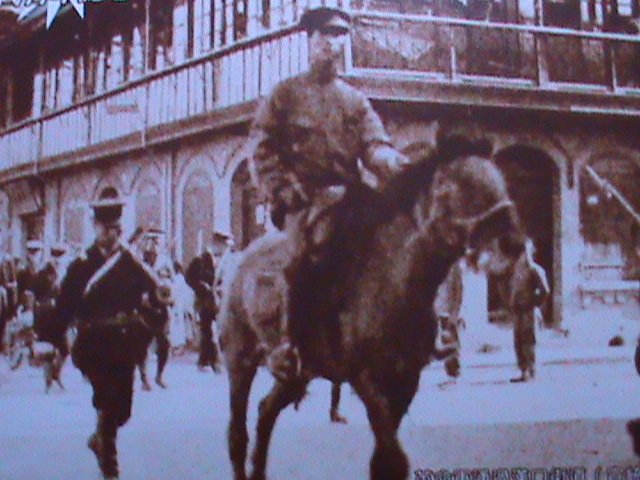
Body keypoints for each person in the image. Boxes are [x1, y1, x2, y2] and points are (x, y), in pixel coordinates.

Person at [249, 6, 410, 380]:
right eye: (323, 36)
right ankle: (286, 347)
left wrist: (396, 164)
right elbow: (262, 147)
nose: (331, 44)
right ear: (309, 41)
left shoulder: (354, 100)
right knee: (294, 261)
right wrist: (280, 188)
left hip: (349, 199)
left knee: (389, 248)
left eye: (338, 37)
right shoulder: (285, 95)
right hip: (302, 201)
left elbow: (374, 147)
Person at [49, 187, 169, 480]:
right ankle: (110, 468)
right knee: (106, 399)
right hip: (92, 345)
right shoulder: (81, 266)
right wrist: (58, 346)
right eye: (106, 229)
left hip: (124, 344)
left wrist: (158, 302)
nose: (111, 235)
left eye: (116, 229)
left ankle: (99, 440)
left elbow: (155, 295)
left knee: (123, 410)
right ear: (95, 227)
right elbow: (64, 307)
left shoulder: (130, 263)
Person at [509, 239, 550, 383]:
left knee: (529, 340)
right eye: (522, 252)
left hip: (529, 311)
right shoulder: (517, 271)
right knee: (518, 341)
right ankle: (523, 370)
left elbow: (544, 290)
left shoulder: (535, 270)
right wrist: (512, 304)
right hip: (518, 311)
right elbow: (513, 290)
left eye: (526, 251)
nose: (524, 255)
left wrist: (534, 303)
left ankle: (531, 370)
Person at [137, 229, 172, 390]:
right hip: (145, 311)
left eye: (154, 254)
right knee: (142, 345)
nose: (153, 256)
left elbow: (170, 283)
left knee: (164, 344)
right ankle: (144, 378)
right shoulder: (140, 269)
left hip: (161, 309)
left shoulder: (164, 265)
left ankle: (159, 375)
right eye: (150, 254)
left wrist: (169, 297)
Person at [185, 236, 222, 372]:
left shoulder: (226, 259)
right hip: (205, 300)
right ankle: (213, 362)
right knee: (208, 329)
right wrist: (200, 286)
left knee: (211, 330)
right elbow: (189, 277)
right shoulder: (201, 260)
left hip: (218, 298)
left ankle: (205, 360)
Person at [433, 261, 465, 379]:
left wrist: (455, 312)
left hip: (449, 310)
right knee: (443, 340)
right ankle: (450, 367)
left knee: (450, 338)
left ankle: (453, 368)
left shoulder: (454, 267)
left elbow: (458, 289)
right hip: (437, 308)